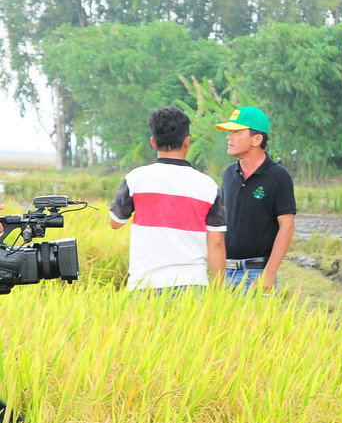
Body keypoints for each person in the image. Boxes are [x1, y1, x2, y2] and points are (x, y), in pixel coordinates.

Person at [110, 105, 226, 291]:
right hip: (193, 284)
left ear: (153, 142)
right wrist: (219, 288)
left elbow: (115, 222)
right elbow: (217, 241)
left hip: (145, 284)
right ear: (187, 142)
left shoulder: (135, 179)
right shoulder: (208, 186)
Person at [215, 106, 296, 291]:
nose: (229, 137)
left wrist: (269, 273)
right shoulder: (229, 174)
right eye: (229, 132)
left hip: (256, 273)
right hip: (226, 273)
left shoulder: (278, 176)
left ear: (257, 139)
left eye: (236, 132)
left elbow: (287, 226)